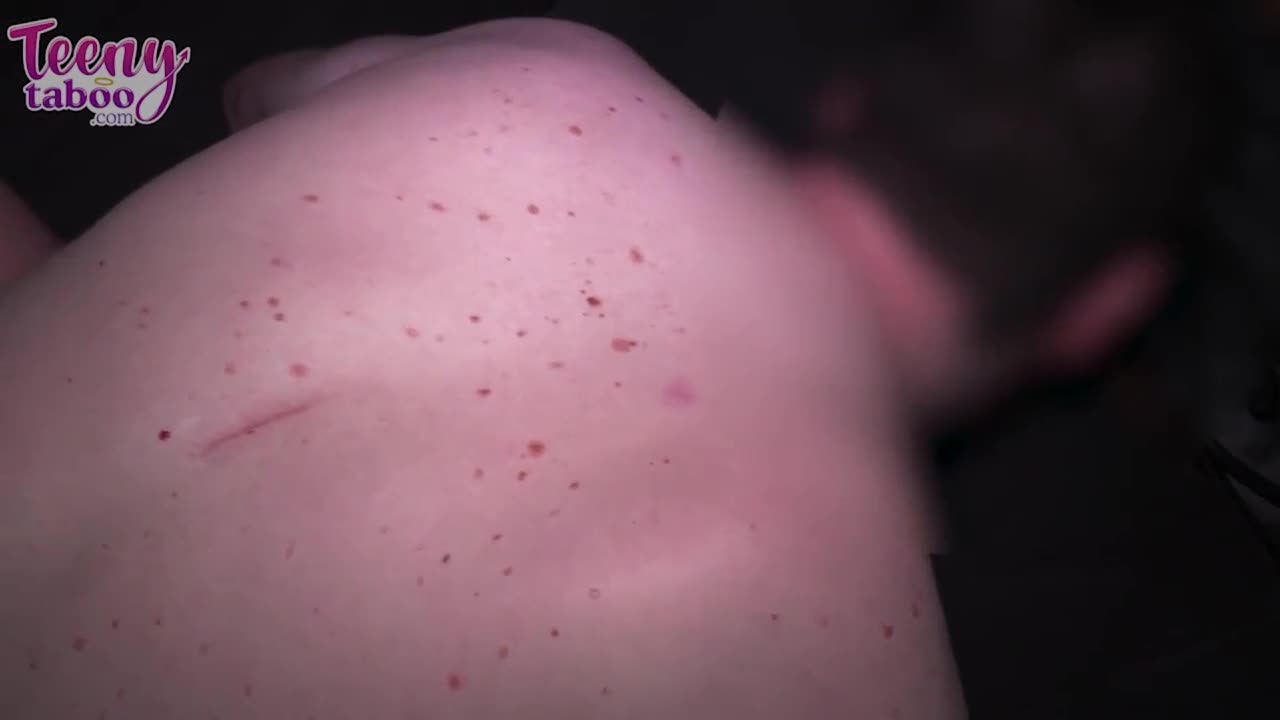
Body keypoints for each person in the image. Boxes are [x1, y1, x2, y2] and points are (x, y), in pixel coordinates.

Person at [0, 4, 1214, 718]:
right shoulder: (852, 685)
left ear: (848, 104)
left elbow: (251, 101)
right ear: (1103, 311)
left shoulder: (540, 71)